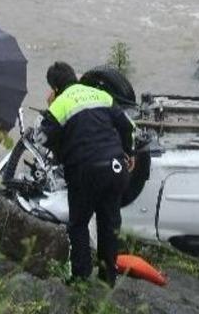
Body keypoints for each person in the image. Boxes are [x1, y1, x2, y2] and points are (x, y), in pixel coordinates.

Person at [35, 61, 134, 286]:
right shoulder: (101, 95)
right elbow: (127, 127)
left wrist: (50, 109)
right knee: (109, 223)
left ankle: (81, 278)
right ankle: (108, 276)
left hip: (84, 172)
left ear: (55, 88)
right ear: (75, 77)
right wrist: (130, 152)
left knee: (79, 224)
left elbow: (42, 140)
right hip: (115, 168)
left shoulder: (60, 105)